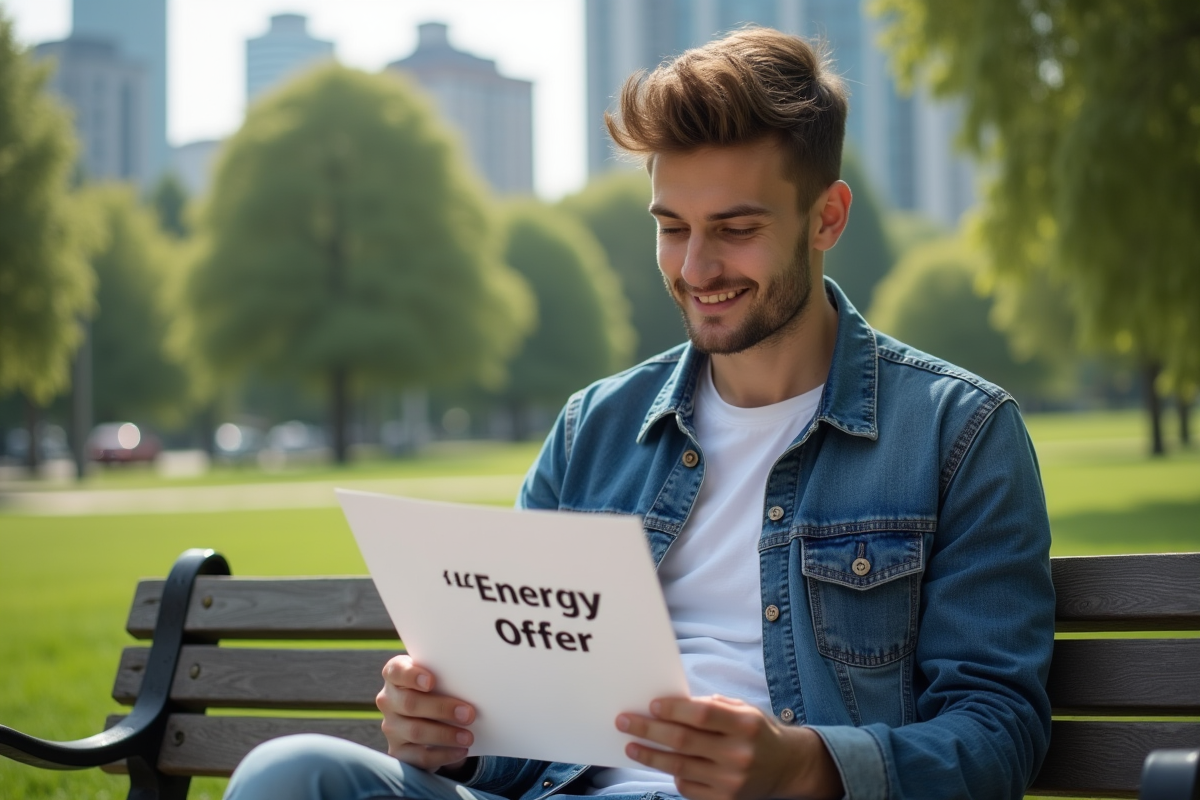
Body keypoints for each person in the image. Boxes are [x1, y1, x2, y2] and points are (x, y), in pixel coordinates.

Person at [225, 27, 1054, 800]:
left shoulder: (958, 433)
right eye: (672, 227)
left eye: (735, 228)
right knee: (289, 772)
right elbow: (522, 735)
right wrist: (454, 731)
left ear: (825, 218)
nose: (696, 267)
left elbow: (999, 732)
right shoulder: (595, 427)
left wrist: (805, 767)